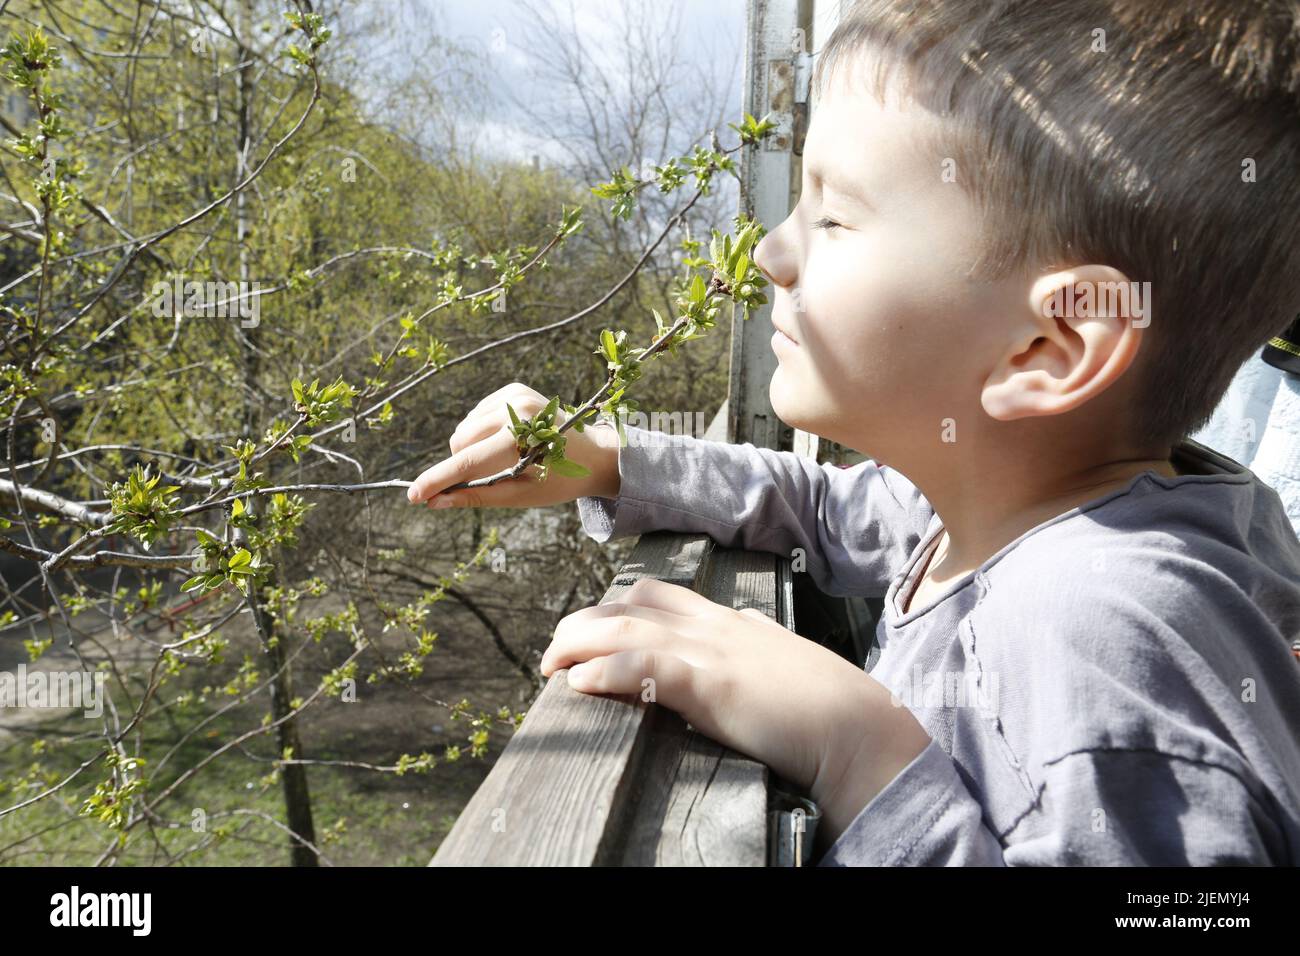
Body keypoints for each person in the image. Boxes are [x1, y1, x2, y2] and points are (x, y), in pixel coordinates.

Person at [407, 0, 1300, 864]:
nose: (768, 252)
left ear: (1046, 349)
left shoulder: (1108, 626)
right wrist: (612, 458)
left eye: (833, 217)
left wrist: (858, 753)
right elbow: (827, 508)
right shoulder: (1011, 500)